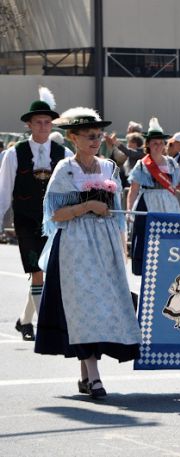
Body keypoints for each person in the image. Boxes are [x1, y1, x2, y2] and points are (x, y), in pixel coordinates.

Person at [34, 107, 141, 399]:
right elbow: (54, 215)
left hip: (104, 245)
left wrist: (121, 248)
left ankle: (86, 376)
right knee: (84, 307)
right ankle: (94, 377)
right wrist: (87, 207)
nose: (95, 140)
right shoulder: (65, 169)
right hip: (75, 246)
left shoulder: (109, 168)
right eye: (89, 136)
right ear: (73, 138)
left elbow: (117, 214)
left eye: (97, 135)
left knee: (101, 307)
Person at [0, 87, 73, 341]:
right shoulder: (13, 153)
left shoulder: (64, 154)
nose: (43, 126)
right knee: (36, 270)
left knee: (49, 270)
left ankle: (25, 320)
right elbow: (4, 190)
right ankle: (46, 327)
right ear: (29, 125)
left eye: (47, 122)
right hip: (26, 219)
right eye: (38, 122)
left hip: (55, 221)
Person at [127, 118, 180, 276]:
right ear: (148, 145)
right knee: (146, 235)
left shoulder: (172, 163)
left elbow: (179, 187)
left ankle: (170, 266)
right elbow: (133, 190)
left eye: (161, 143)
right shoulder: (142, 165)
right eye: (154, 143)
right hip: (148, 202)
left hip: (168, 203)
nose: (158, 146)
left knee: (169, 235)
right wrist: (130, 210)